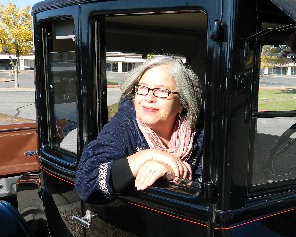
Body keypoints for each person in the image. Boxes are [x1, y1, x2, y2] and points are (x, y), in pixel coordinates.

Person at [76, 56, 203, 203]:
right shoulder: (125, 125)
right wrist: (146, 156)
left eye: (162, 91)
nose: (149, 97)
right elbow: (87, 183)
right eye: (143, 88)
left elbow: (216, 192)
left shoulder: (199, 134)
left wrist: (171, 172)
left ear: (182, 102)